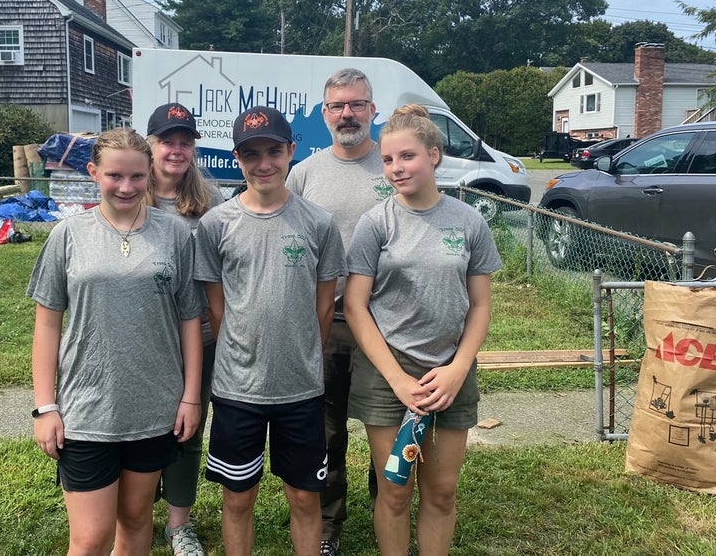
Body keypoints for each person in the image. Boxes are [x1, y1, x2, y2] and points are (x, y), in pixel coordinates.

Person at [28, 128, 204, 556]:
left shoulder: (175, 235)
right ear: (94, 172)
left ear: (150, 174)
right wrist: (46, 407)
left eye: (137, 176)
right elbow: (47, 327)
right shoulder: (68, 235)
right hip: (87, 410)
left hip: (154, 408)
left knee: (136, 520)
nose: (126, 187)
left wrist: (191, 397)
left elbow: (190, 320)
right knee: (90, 538)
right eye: (114, 176)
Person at [344, 104, 502, 555]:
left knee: (442, 491)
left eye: (407, 156)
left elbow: (480, 306)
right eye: (388, 160)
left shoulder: (469, 222)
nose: (396, 168)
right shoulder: (376, 223)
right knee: (395, 489)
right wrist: (397, 379)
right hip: (387, 371)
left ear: (434, 155)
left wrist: (458, 369)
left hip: (451, 370)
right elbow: (355, 306)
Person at [194, 106, 347, 556]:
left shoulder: (318, 223)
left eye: (273, 152)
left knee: (303, 497)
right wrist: (244, 353)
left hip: (300, 389)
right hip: (237, 389)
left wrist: (301, 355)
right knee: (239, 498)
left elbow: (325, 306)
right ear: (237, 158)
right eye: (251, 154)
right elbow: (217, 308)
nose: (264, 164)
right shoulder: (216, 224)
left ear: (291, 151)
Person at [286, 68, 392, 556]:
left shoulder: (393, 166)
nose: (347, 114)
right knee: (325, 432)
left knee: (384, 428)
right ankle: (329, 524)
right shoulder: (304, 174)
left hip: (388, 324)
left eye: (356, 104)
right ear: (325, 113)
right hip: (325, 323)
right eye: (337, 106)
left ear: (373, 109)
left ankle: (388, 512)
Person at [145, 102, 224, 556]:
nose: (176, 150)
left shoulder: (211, 203)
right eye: (167, 141)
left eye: (184, 142)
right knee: (141, 428)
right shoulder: (131, 195)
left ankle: (180, 525)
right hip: (146, 337)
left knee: (188, 429)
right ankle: (134, 515)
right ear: (151, 145)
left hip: (202, 338)